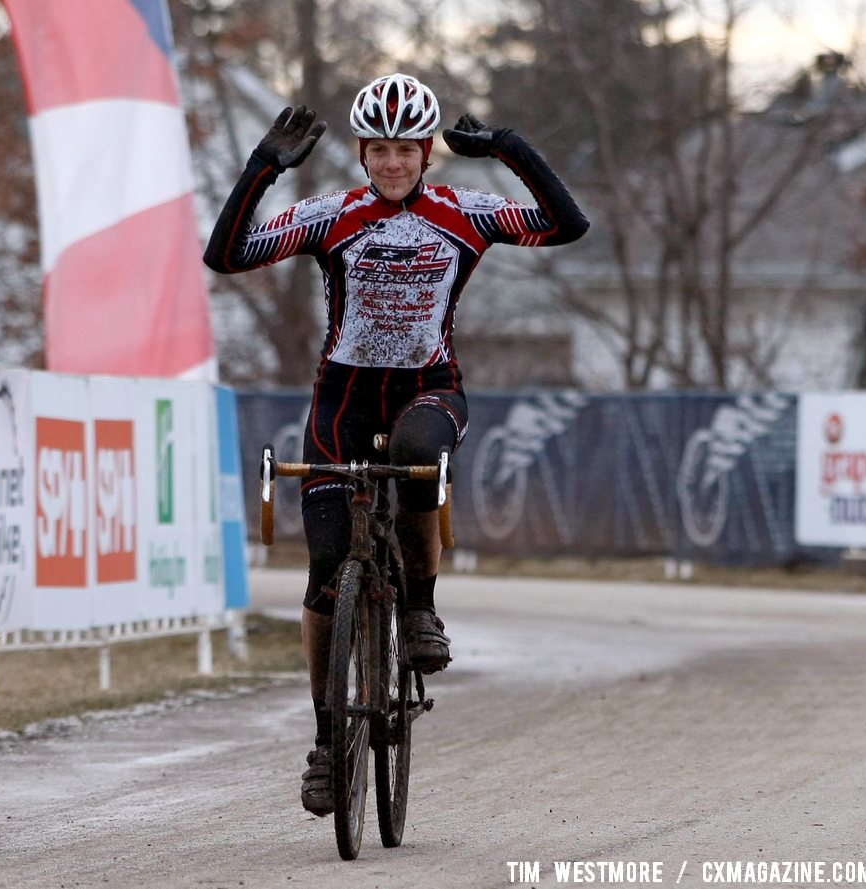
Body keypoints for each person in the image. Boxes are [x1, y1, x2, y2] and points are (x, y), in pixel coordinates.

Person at [203, 72, 589, 817]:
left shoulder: (464, 213)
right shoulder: (331, 216)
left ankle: (419, 610)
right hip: (341, 401)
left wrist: (507, 147)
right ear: (361, 153)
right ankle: (325, 742)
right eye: (377, 150)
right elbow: (226, 255)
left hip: (428, 389)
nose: (391, 164)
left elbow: (565, 223)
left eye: (405, 151)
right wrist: (262, 168)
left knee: (417, 459)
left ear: (426, 154)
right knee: (322, 571)